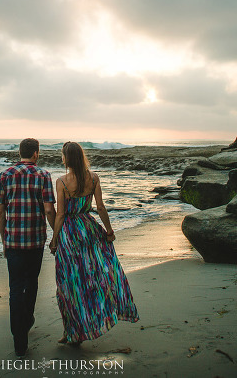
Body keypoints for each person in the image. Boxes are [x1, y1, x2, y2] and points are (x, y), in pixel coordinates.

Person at [49, 141, 139, 344]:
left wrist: (54, 240)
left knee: (69, 284)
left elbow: (61, 214)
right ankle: (94, 320)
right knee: (93, 278)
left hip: (70, 234)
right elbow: (100, 207)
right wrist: (109, 230)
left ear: (67, 158)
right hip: (89, 229)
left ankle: (71, 332)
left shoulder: (61, 182)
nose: (61, 158)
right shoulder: (94, 178)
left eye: (62, 155)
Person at [0, 138, 56, 357]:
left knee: (15, 288)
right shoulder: (44, 175)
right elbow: (49, 210)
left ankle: (18, 339)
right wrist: (57, 235)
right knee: (31, 284)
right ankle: (27, 321)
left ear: (19, 152)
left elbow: (0, 212)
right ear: (36, 154)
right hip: (36, 241)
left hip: (13, 243)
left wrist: (4, 240)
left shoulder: (4, 175)